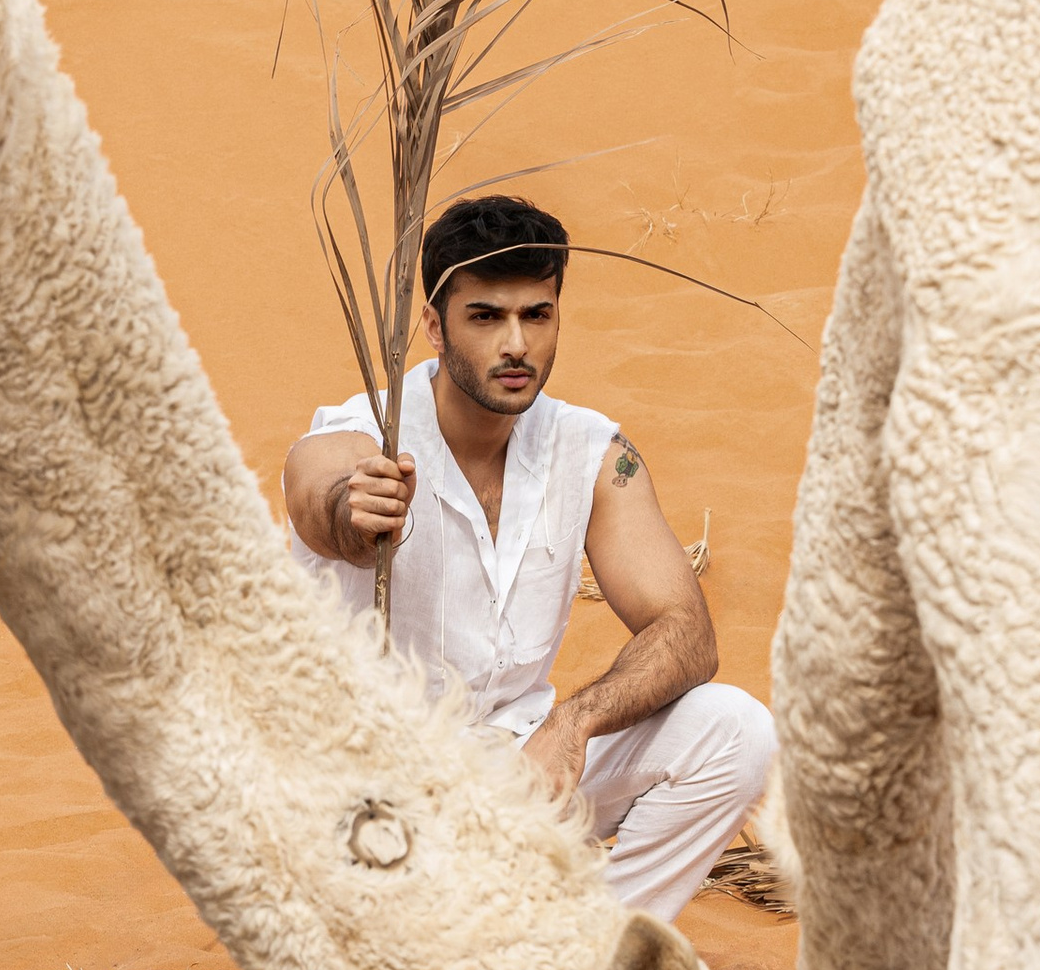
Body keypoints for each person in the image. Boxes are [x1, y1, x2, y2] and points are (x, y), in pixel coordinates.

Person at [280, 193, 774, 921]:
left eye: (535, 316)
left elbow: (685, 633)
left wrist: (571, 727)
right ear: (433, 326)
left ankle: (597, 958)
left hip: (520, 763)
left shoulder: (594, 454)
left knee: (736, 730)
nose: (516, 344)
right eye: (485, 316)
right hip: (370, 796)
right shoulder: (363, 438)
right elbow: (318, 497)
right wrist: (354, 512)